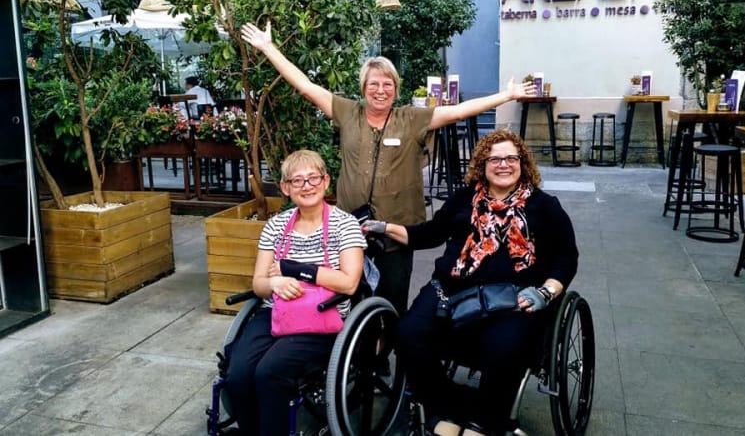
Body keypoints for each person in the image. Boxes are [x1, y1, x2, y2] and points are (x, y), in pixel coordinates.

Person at [241, 21, 537, 315]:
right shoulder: (348, 113)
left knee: (391, 298)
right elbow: (306, 86)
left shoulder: (412, 119)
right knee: (348, 294)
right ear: (364, 88)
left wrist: (506, 95)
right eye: (373, 84)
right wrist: (268, 48)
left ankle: (384, 355)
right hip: (349, 228)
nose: (380, 90)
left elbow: (458, 111)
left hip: (396, 230)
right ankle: (356, 355)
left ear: (395, 90)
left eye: (387, 85)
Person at [362, 129, 579, 436]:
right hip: (450, 290)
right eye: (495, 159)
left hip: (513, 298)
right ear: (482, 164)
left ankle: (485, 420)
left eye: (511, 158)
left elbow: (566, 258)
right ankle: (450, 406)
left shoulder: (545, 206)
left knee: (503, 348)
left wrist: (547, 291)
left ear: (522, 163)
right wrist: (385, 227)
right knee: (408, 334)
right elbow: (429, 233)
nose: (503, 165)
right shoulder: (464, 199)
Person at [224, 150, 366, 436]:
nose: (306, 185)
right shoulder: (276, 226)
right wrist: (274, 283)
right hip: (275, 311)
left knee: (269, 372)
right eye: (297, 180)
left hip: (322, 316)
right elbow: (258, 284)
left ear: (326, 182)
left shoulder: (345, 224)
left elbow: (349, 283)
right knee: (236, 374)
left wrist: (296, 269)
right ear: (286, 188)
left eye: (313, 177)